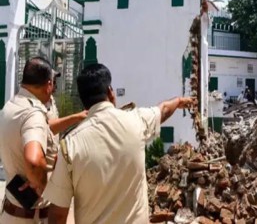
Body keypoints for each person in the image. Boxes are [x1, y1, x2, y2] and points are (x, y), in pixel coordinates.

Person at [43, 63, 194, 223]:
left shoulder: (69, 146)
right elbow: (162, 110)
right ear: (110, 91)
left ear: (83, 101)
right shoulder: (137, 121)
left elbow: (58, 214)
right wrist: (178, 101)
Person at [0, 57, 80, 223]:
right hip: (34, 216)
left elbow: (45, 128)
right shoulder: (33, 114)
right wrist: (48, 187)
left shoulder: (12, 106)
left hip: (12, 213)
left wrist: (78, 117)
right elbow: (34, 161)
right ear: (48, 85)